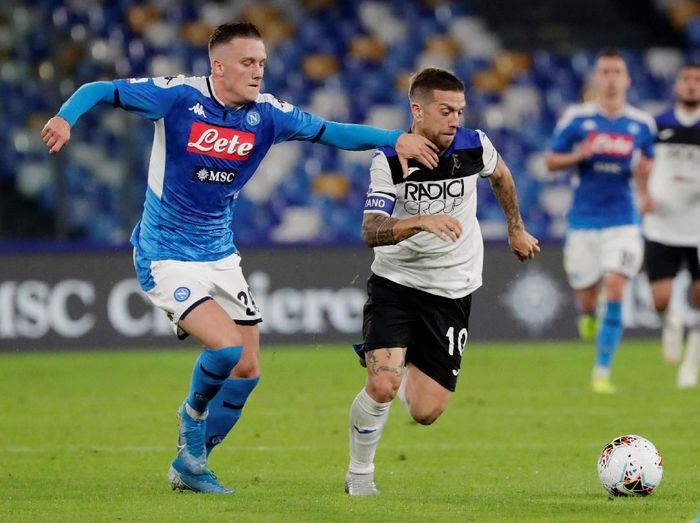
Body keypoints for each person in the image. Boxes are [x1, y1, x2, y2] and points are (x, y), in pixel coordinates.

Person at [41, 22, 440, 495]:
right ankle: (191, 417)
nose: (258, 72)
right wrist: (66, 117)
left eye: (263, 63)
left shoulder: (267, 115)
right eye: (248, 62)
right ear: (219, 65)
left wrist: (393, 139)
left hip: (221, 254)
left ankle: (192, 464)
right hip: (166, 252)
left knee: (248, 370)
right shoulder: (177, 98)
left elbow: (331, 131)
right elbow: (100, 88)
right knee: (225, 349)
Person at [345, 67, 540, 496]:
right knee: (381, 382)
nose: (455, 119)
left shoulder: (474, 145)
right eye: (445, 110)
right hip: (396, 282)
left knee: (426, 411)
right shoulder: (389, 159)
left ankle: (402, 361)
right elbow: (371, 230)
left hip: (452, 288)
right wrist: (419, 222)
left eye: (460, 110)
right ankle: (360, 475)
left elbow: (502, 177)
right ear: (417, 110)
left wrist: (515, 229)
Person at [545, 49, 656, 394]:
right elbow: (550, 160)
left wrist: (645, 190)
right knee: (587, 297)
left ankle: (602, 371)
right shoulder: (577, 119)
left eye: (616, 72)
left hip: (623, 219)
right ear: (596, 78)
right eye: (604, 71)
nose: (610, 78)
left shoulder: (641, 124)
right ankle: (589, 315)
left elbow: (647, 166)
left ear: (627, 79)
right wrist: (580, 155)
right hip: (583, 222)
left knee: (616, 283)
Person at [643, 63, 700, 388]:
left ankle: (691, 363)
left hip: (697, 228)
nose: (692, 85)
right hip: (662, 225)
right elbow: (641, 165)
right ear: (677, 85)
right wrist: (642, 195)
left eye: (697, 81)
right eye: (687, 80)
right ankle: (672, 323)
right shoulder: (657, 125)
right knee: (660, 301)